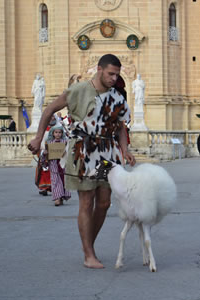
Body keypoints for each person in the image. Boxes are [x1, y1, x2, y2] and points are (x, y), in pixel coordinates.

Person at [28, 54, 135, 269]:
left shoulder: (117, 97)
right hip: (84, 152)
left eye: (117, 74)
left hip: (106, 155)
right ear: (99, 69)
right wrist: (39, 138)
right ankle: (89, 254)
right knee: (87, 201)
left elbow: (121, 126)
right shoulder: (79, 90)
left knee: (104, 202)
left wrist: (125, 149)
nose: (114, 78)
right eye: (110, 74)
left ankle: (89, 245)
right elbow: (49, 110)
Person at [45, 125, 71, 206]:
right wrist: (45, 154)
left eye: (60, 132)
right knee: (55, 181)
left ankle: (62, 197)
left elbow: (70, 152)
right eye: (56, 132)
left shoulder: (65, 142)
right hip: (53, 164)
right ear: (52, 133)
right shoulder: (49, 143)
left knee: (63, 180)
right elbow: (45, 155)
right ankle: (57, 198)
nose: (58, 134)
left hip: (63, 164)